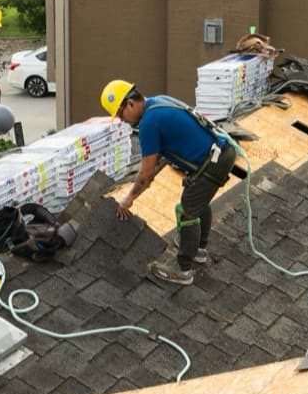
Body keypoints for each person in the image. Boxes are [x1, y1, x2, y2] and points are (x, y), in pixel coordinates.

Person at [101, 80, 237, 286]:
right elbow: (161, 158)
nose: (123, 120)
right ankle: (198, 250)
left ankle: (183, 270)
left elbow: (146, 173)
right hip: (220, 154)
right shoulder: (158, 102)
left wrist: (128, 199)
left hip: (213, 162)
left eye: (121, 115)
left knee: (187, 210)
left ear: (130, 103)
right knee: (198, 200)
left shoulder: (149, 123)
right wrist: (148, 178)